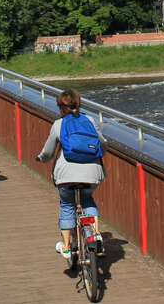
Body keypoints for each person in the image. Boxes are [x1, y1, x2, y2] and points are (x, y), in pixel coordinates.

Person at [36, 89, 107, 261]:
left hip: (66, 175)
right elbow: (102, 143)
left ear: (61, 106)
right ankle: (96, 235)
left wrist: (41, 158)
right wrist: (98, 155)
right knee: (87, 198)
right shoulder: (89, 120)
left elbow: (48, 151)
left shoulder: (58, 124)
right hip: (92, 172)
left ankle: (67, 247)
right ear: (79, 103)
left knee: (67, 205)